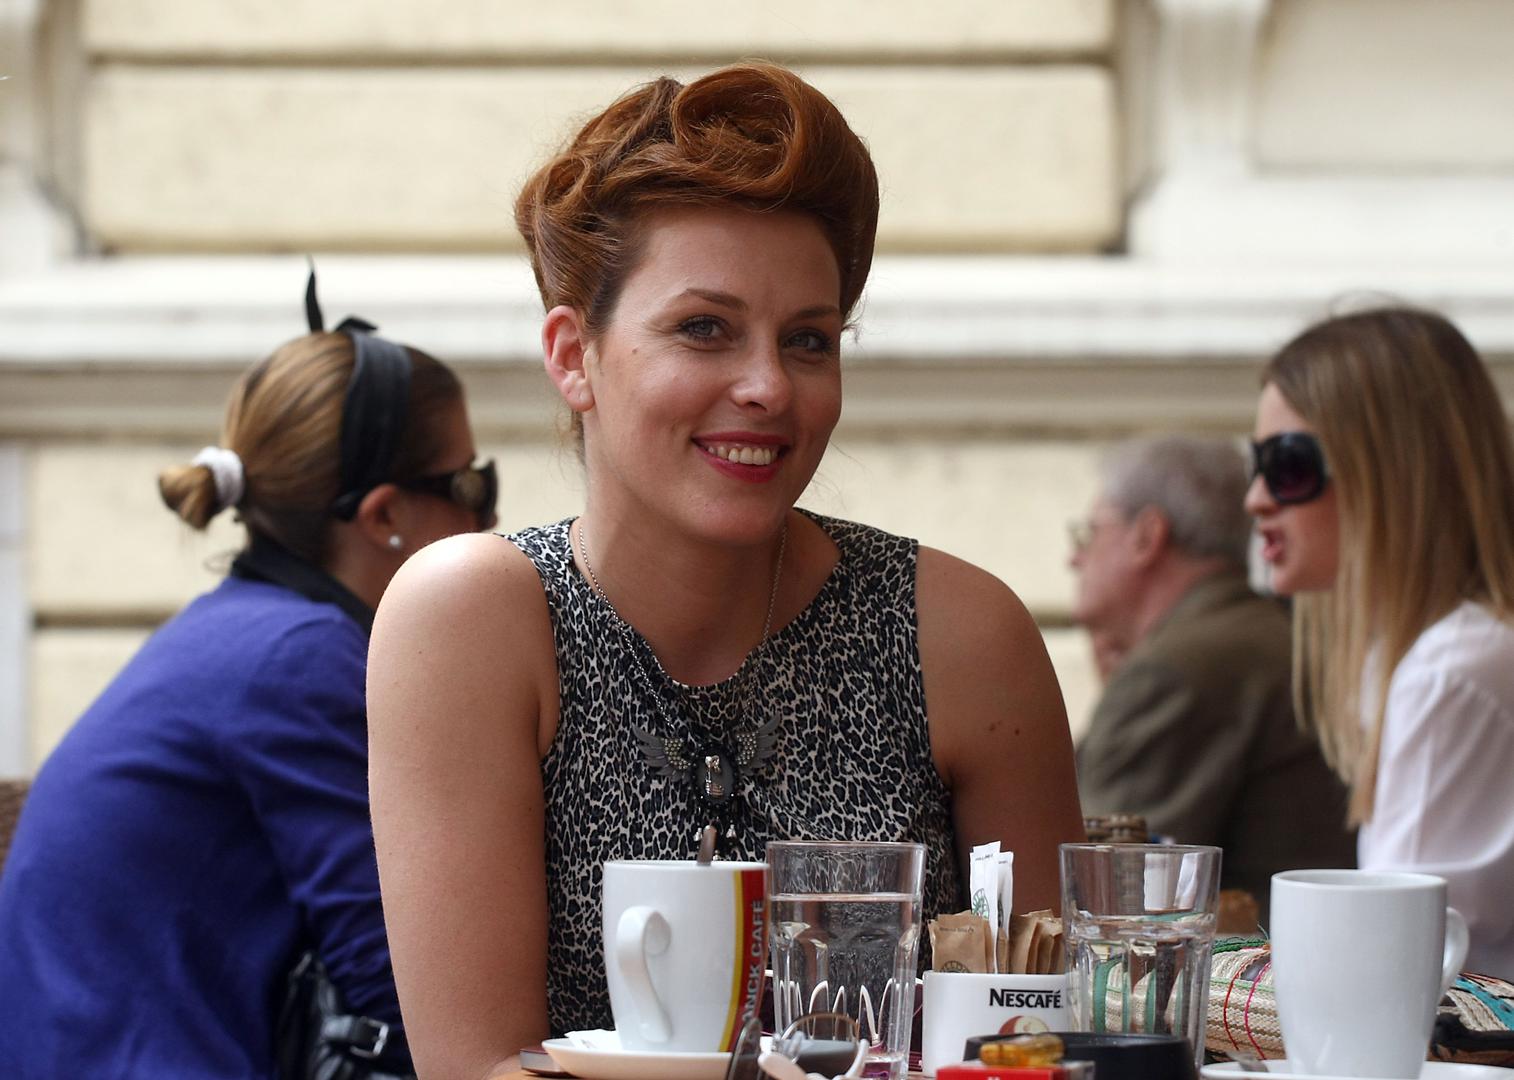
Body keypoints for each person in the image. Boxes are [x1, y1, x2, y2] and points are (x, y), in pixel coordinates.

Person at [366, 61, 1086, 1076]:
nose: (767, 387)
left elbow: (1048, 1042)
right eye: (703, 328)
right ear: (572, 356)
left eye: (808, 340)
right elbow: (478, 1067)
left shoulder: (960, 635)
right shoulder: (475, 618)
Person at [0, 286, 497, 1077]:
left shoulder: (248, 631)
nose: (487, 522)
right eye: (470, 487)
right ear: (383, 517)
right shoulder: (298, 657)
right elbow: (405, 985)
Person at [1246, 305, 1514, 978]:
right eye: (1257, 464)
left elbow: (1388, 969)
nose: (1256, 498)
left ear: (1390, 473)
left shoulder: (1452, 668)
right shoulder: (1440, 656)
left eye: (1288, 466)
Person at [1071, 435, 1353, 923]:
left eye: (1089, 533)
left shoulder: (1176, 669)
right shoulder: (1259, 634)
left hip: (1245, 965)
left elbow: (1097, 896)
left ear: (1147, 536)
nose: (1075, 558)